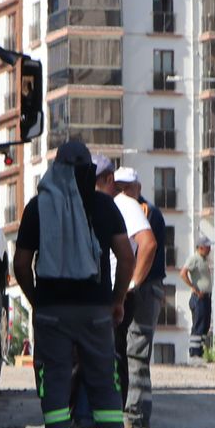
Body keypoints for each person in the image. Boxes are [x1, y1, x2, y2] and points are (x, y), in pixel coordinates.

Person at [12, 141, 135, 428]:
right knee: (104, 383)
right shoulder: (103, 206)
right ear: (89, 173)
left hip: (52, 312)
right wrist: (117, 300)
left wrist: (36, 300)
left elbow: (21, 263)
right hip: (96, 311)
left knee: (54, 384)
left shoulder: (38, 207)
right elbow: (126, 257)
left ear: (56, 169)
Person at [95, 157, 158, 408]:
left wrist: (132, 284)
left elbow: (148, 244)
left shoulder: (125, 205)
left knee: (116, 355)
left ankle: (117, 412)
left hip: (118, 294)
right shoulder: (105, 205)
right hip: (106, 293)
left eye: (96, 182)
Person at [115, 166, 169, 428]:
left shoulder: (147, 212)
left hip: (145, 289)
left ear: (138, 187)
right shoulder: (136, 210)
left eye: (127, 186)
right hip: (144, 288)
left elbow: (147, 247)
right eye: (119, 187)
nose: (123, 191)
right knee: (136, 353)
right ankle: (140, 420)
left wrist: (132, 284)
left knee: (135, 352)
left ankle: (134, 420)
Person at [182, 235, 214, 361]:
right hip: (198, 298)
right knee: (198, 325)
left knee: (205, 325)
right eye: (207, 247)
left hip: (206, 297)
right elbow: (183, 273)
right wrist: (193, 288)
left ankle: (199, 352)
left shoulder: (204, 260)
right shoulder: (194, 259)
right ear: (200, 247)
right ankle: (194, 354)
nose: (209, 249)